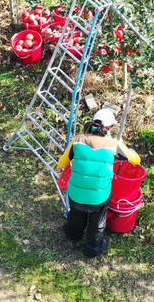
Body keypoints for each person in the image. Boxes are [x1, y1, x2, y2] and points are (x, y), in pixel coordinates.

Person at [57, 108, 119, 257]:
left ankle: (73, 234)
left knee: (76, 213)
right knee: (97, 223)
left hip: (76, 192)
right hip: (99, 196)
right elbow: (135, 160)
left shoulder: (78, 140)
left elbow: (61, 164)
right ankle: (93, 248)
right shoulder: (114, 144)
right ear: (110, 128)